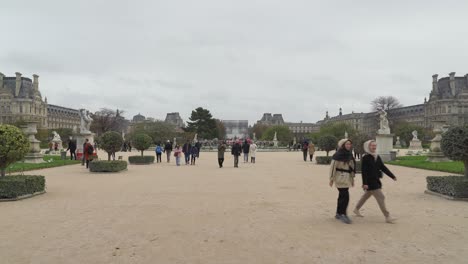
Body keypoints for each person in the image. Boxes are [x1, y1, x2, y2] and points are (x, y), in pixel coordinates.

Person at [354, 140, 397, 223]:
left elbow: (383, 167)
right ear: (368, 147)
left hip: (376, 180)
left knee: (366, 196)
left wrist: (392, 176)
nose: (374, 147)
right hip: (370, 182)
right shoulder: (366, 157)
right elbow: (364, 171)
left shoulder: (377, 156)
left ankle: (356, 209)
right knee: (381, 197)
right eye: (372, 146)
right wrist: (365, 183)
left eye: (375, 145)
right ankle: (387, 216)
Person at [329, 138, 356, 224]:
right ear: (343, 145)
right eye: (347, 144)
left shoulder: (349, 154)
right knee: (345, 196)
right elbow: (332, 167)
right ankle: (343, 214)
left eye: (349, 144)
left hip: (347, 177)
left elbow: (351, 168)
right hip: (340, 177)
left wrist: (352, 178)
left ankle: (338, 213)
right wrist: (331, 179)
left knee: (342, 196)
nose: (348, 146)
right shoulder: (338, 155)